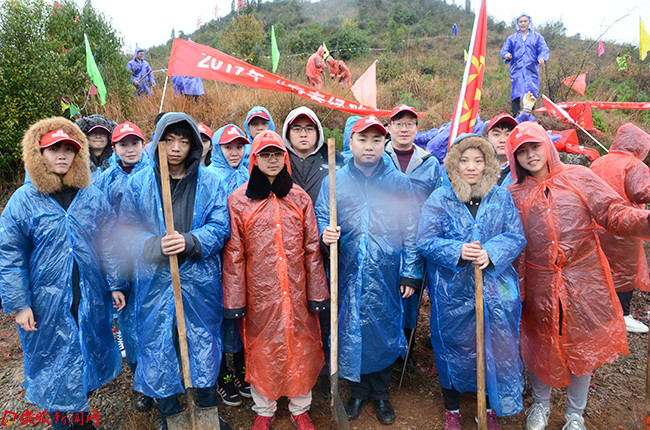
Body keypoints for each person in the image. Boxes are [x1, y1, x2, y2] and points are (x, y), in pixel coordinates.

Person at [505, 122, 650, 430]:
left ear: (547, 145)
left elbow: (613, 212)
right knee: (540, 343)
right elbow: (512, 245)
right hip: (539, 283)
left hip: (584, 280)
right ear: (513, 157)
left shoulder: (579, 177)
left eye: (535, 146)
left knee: (582, 344)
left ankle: (575, 414)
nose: (530, 155)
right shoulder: (513, 194)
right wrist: (518, 289)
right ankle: (541, 405)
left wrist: (644, 220)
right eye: (522, 151)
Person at [0, 117, 125, 430]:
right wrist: (20, 303)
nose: (62, 155)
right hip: (46, 301)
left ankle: (80, 417)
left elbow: (109, 242)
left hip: (88, 293)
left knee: (85, 351)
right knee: (53, 360)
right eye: (54, 149)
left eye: (69, 149)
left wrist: (115, 283)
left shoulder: (90, 195)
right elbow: (10, 254)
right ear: (39, 153)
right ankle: (63, 423)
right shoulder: (24, 201)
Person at [118, 112, 231, 430]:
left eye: (183, 141)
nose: (176, 148)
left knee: (203, 343)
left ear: (194, 144)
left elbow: (220, 226)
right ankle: (170, 412)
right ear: (158, 142)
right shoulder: (139, 183)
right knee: (157, 343)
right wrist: (154, 245)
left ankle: (206, 406)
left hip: (199, 280)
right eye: (169, 140)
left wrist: (190, 240)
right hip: (155, 282)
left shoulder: (210, 182)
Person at [316, 115, 423, 426]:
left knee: (384, 331)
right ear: (350, 142)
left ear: (384, 143)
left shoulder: (398, 183)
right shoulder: (335, 181)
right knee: (351, 330)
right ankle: (358, 392)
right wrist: (325, 235)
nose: (369, 146)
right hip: (347, 270)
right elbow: (322, 216)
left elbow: (412, 229)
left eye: (376, 140)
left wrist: (410, 272)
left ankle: (381, 394)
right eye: (362, 139)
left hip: (387, 272)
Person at [417, 134, 527, 430]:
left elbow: (516, 236)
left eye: (478, 161)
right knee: (452, 347)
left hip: (493, 288)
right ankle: (452, 410)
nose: (471, 167)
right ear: (454, 164)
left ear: (488, 164)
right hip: (452, 291)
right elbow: (425, 240)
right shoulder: (440, 198)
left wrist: (492, 252)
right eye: (464, 160)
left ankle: (488, 407)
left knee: (494, 345)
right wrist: (457, 251)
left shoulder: (502, 197)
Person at [222, 130, 329, 430]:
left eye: (277, 154)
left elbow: (312, 249)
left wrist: (316, 293)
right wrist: (235, 300)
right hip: (260, 296)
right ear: (254, 159)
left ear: (285, 158)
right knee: (261, 349)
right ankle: (264, 409)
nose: (272, 160)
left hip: (296, 292)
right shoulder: (239, 201)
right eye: (265, 154)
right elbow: (234, 255)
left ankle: (300, 407)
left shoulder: (300, 198)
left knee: (301, 345)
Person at [282, 106, 345, 397]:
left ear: (318, 132)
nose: (303, 134)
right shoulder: (279, 161)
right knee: (294, 313)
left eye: (309, 128)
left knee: (325, 310)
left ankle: (325, 369)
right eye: (297, 129)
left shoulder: (334, 161)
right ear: (288, 133)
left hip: (326, 250)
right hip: (290, 251)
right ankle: (297, 368)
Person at [94, 121, 152, 412]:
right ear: (114, 147)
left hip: (152, 258)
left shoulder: (156, 174)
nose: (130, 149)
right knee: (129, 326)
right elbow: (104, 232)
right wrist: (115, 280)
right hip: (122, 263)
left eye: (135, 143)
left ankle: (162, 378)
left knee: (156, 322)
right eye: (123, 144)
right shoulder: (105, 181)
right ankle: (140, 383)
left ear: (143, 144)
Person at [385, 104, 441, 370]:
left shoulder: (430, 163)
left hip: (417, 239)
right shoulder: (379, 156)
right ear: (389, 128)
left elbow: (437, 202)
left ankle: (405, 353)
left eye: (409, 124)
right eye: (398, 123)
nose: (404, 129)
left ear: (417, 129)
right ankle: (384, 354)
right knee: (384, 294)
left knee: (411, 295)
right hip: (382, 237)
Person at [590, 123, 650, 333]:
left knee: (599, 268)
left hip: (596, 224)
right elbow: (641, 192)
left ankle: (600, 311)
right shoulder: (635, 165)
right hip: (624, 228)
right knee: (625, 272)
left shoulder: (599, 161)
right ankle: (622, 315)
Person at [207, 124, 251, 406]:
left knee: (246, 312)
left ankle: (244, 370)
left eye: (239, 147)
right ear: (217, 148)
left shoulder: (249, 174)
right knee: (222, 316)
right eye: (228, 147)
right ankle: (224, 375)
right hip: (219, 258)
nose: (234, 152)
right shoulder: (209, 177)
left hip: (247, 257)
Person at [501, 14, 549, 116]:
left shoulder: (537, 37)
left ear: (529, 22)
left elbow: (543, 49)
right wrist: (507, 55)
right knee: (516, 91)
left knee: (531, 91)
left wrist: (542, 58)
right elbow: (505, 50)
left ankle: (531, 115)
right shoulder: (512, 38)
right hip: (517, 70)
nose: (523, 23)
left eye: (525, 21)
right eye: (521, 21)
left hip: (531, 70)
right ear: (517, 23)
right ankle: (515, 115)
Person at [481, 113, 519, 186]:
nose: (502, 140)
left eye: (508, 134)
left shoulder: (524, 170)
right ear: (486, 138)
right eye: (496, 135)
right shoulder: (475, 169)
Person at [75, 114, 117, 179]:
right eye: (93, 133)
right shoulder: (75, 162)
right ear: (85, 136)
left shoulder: (118, 161)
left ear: (109, 137)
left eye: (103, 133)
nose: (98, 136)